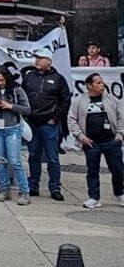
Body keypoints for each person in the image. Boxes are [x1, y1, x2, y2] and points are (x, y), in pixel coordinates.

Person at [68, 72, 124, 209]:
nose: (102, 85)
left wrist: (119, 135)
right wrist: (81, 137)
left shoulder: (111, 100)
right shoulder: (79, 101)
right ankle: (94, 197)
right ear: (89, 85)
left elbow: (120, 118)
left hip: (111, 141)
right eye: (98, 83)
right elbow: (71, 119)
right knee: (92, 171)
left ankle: (119, 193)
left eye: (102, 82)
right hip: (91, 142)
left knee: (118, 169)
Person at [22, 48, 71, 200]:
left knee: (52, 157)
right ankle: (33, 186)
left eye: (40, 58)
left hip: (50, 124)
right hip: (32, 123)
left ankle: (55, 188)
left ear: (49, 61)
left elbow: (66, 101)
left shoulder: (58, 79)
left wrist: (55, 118)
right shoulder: (29, 77)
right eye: (36, 58)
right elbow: (22, 96)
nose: (37, 61)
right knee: (33, 155)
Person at [0, 69, 32, 205]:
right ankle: (4, 189)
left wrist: (11, 106)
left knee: (15, 160)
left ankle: (25, 191)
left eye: (2, 80)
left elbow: (27, 109)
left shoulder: (17, 90)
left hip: (12, 128)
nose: (0, 83)